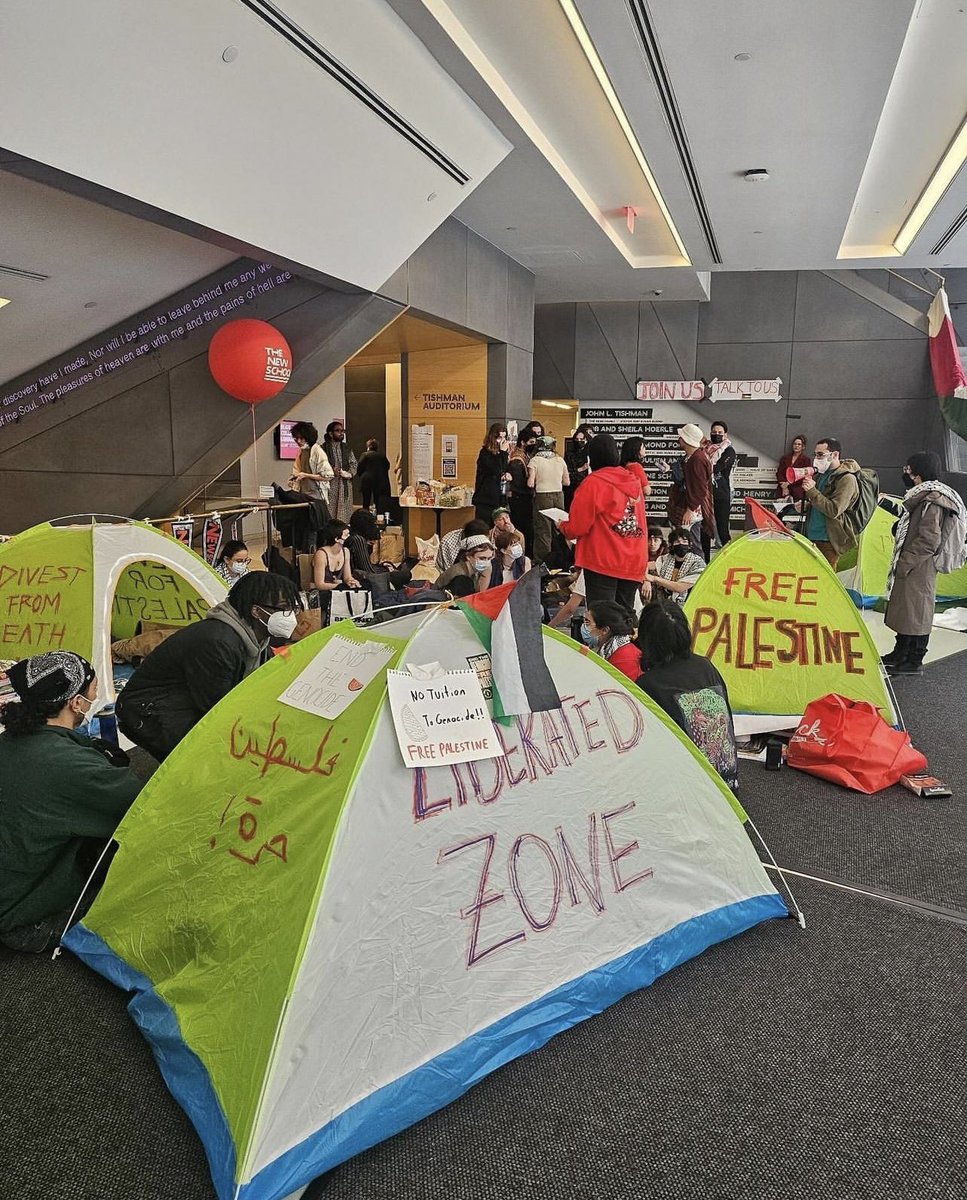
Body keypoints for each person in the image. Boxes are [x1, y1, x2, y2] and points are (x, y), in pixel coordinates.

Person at [0, 651, 144, 952]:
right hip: (17, 918)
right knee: (130, 851)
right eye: (92, 694)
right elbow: (149, 807)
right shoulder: (70, 766)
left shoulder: (10, 740)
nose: (94, 700)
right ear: (76, 703)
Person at [116, 572, 301, 762]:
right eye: (284, 609)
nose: (291, 616)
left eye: (293, 608)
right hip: (149, 710)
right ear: (256, 611)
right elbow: (216, 707)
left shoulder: (257, 635)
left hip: (179, 701)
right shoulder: (218, 641)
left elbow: (267, 678)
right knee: (206, 758)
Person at [635, 601, 739, 793]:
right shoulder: (705, 666)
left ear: (645, 639)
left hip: (686, 798)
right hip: (727, 786)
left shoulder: (648, 684)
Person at [883, 451, 967, 676]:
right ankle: (900, 652)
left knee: (917, 613)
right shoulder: (923, 498)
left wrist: (906, 562)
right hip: (914, 564)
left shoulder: (933, 500)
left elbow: (929, 540)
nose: (906, 473)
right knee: (906, 612)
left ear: (917, 472)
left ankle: (913, 660)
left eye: (908, 469)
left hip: (919, 565)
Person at [559, 433, 647, 610]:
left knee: (602, 617)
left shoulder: (594, 483)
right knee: (624, 615)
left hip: (603, 561)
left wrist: (562, 526)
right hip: (634, 559)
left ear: (592, 458)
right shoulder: (632, 481)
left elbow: (577, 527)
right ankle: (625, 639)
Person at [800, 437, 860, 568]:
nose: (817, 458)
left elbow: (834, 510)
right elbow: (820, 502)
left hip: (828, 540)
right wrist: (806, 505)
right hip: (811, 536)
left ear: (835, 454)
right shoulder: (821, 475)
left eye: (821, 454)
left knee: (823, 583)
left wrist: (812, 491)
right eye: (815, 454)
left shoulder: (847, 479)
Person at [667, 423, 714, 561]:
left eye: (681, 437)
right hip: (689, 507)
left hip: (691, 510)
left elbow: (699, 487)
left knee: (691, 544)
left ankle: (699, 575)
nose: (678, 440)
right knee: (687, 542)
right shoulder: (693, 457)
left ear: (686, 440)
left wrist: (690, 509)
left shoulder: (697, 459)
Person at [528, 435, 571, 563]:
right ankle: (561, 557)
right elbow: (567, 482)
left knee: (543, 530)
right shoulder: (560, 460)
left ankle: (544, 561)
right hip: (558, 496)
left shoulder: (535, 460)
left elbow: (530, 483)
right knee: (559, 528)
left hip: (542, 496)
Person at [346, 509, 411, 590]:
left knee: (402, 571)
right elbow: (367, 569)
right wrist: (386, 571)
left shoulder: (354, 536)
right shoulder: (358, 540)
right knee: (405, 574)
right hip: (363, 577)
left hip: (362, 574)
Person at [643, 526, 705, 606]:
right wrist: (646, 581)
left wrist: (655, 579)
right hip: (665, 601)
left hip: (689, 604)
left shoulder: (697, 563)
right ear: (671, 545)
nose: (681, 544)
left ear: (690, 545)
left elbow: (679, 587)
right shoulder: (665, 559)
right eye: (677, 542)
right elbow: (644, 566)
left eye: (684, 541)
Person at [581, 601, 641, 681]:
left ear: (605, 630)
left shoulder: (623, 660)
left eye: (588, 622)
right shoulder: (610, 649)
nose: (584, 626)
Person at [705, 420, 736, 552]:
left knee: (722, 528)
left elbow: (718, 467)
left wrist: (703, 466)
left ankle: (729, 556)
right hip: (705, 494)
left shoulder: (729, 451)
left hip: (721, 494)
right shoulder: (705, 449)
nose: (716, 435)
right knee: (704, 528)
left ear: (725, 435)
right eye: (714, 432)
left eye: (719, 433)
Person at [472, 424, 511, 525]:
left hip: (499, 498)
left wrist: (507, 474)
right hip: (486, 499)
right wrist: (503, 452)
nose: (502, 441)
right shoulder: (485, 453)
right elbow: (495, 469)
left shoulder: (502, 454)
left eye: (504, 438)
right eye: (499, 438)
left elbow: (503, 468)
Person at [289, 421, 334, 504]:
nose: (298, 441)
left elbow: (328, 476)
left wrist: (305, 475)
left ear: (308, 437)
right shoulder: (301, 452)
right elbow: (297, 470)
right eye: (296, 438)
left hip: (316, 494)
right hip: (303, 493)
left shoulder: (317, 451)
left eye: (301, 438)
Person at [323, 420, 357, 523]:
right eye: (338, 431)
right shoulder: (323, 448)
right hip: (330, 485)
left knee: (344, 514)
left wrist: (349, 473)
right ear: (330, 433)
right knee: (330, 513)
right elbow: (319, 466)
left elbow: (354, 464)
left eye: (342, 431)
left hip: (345, 485)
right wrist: (331, 471)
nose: (341, 433)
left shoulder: (346, 447)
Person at [313, 520, 361, 594]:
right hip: (323, 593)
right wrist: (340, 586)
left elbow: (347, 577)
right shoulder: (321, 555)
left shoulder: (345, 551)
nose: (348, 537)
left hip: (339, 591)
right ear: (336, 539)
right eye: (346, 535)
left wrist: (352, 581)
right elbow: (319, 584)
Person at [507, 434, 535, 556]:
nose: (533, 445)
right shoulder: (517, 460)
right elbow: (518, 484)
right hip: (519, 499)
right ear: (523, 442)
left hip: (522, 498)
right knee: (522, 527)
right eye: (531, 442)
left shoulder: (525, 456)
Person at [357, 438, 392, 514]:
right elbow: (387, 466)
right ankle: (378, 517)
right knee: (378, 501)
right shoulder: (382, 456)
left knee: (366, 500)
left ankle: (365, 516)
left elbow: (359, 467)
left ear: (368, 446)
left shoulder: (365, 455)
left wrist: (361, 475)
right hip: (379, 481)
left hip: (367, 480)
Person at [776, 433, 810, 507]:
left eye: (799, 444)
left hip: (797, 489)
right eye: (795, 444)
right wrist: (784, 486)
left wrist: (788, 483)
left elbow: (805, 476)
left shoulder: (806, 460)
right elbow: (779, 473)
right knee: (780, 510)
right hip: (782, 488)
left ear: (803, 447)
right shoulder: (785, 458)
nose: (796, 446)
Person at [564, 424, 593, 506]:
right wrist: (580, 469)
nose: (579, 441)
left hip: (588, 486)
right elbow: (567, 472)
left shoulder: (591, 452)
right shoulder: (570, 454)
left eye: (582, 439)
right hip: (572, 488)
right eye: (577, 439)